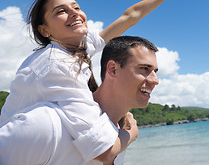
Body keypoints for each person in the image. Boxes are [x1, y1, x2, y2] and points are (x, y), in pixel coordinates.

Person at [0, 0, 190, 163]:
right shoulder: (56, 64)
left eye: (76, 7)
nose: (74, 12)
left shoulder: (78, 47)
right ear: (45, 31)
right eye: (60, 11)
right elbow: (103, 151)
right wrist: (131, 134)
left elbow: (130, 16)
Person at [0, 36, 159, 165]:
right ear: (113, 69)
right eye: (145, 69)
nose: (155, 80)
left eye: (155, 71)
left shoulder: (118, 135)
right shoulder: (47, 124)